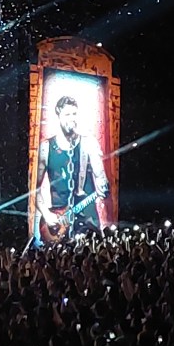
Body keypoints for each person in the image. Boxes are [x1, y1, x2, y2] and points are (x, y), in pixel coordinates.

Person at [35, 94, 109, 244]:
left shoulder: (88, 143)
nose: (72, 118)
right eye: (67, 114)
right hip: (59, 220)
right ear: (58, 114)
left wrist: (103, 185)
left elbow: (101, 177)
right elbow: (34, 189)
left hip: (87, 217)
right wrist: (46, 214)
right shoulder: (46, 148)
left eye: (74, 114)